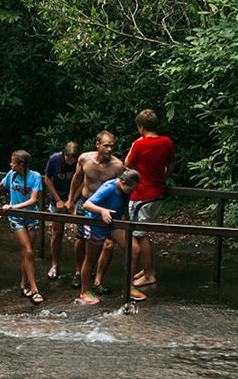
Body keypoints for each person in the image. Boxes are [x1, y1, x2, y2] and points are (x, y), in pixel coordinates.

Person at [66, 132, 124, 293]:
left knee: (108, 244)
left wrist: (122, 213)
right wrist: (71, 199)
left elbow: (122, 190)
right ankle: (79, 272)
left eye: (112, 145)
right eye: (106, 145)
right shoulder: (85, 159)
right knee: (81, 239)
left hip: (107, 209)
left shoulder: (118, 166)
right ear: (97, 144)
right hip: (86, 204)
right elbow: (77, 178)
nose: (109, 149)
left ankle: (98, 280)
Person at [0, 149, 45, 304]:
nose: (10, 164)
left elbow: (33, 200)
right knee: (28, 250)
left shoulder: (35, 176)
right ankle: (34, 289)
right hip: (16, 218)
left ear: (21, 164)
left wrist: (14, 206)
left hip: (31, 217)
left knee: (28, 252)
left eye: (13, 162)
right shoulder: (11, 175)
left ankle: (23, 283)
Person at [78, 169, 146, 305]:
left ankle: (128, 287)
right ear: (123, 183)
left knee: (134, 250)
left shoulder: (126, 190)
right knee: (91, 259)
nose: (132, 191)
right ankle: (84, 292)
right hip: (97, 224)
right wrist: (102, 211)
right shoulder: (109, 188)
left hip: (113, 223)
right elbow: (87, 204)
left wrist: (128, 222)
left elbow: (124, 205)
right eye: (131, 188)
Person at [124, 110, 175, 288]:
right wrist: (163, 177)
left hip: (142, 195)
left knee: (140, 235)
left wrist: (135, 144)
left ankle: (149, 273)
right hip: (157, 193)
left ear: (141, 127)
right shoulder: (166, 142)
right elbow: (171, 164)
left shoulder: (139, 144)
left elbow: (127, 165)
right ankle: (146, 270)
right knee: (142, 232)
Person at [42, 142, 80, 281]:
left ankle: (79, 269)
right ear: (64, 154)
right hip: (57, 196)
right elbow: (47, 179)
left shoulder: (80, 161)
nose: (71, 160)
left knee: (79, 235)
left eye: (74, 157)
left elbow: (82, 181)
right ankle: (55, 264)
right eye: (69, 157)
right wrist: (58, 199)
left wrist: (72, 200)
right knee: (57, 233)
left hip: (75, 198)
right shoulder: (54, 159)